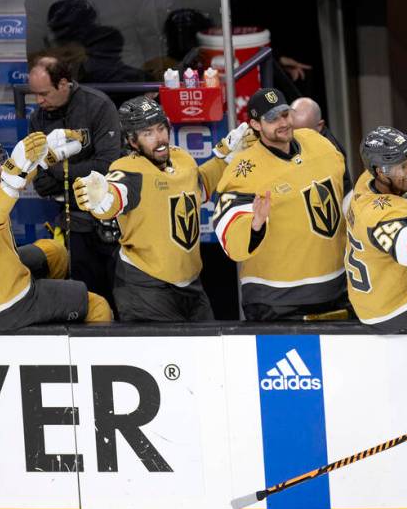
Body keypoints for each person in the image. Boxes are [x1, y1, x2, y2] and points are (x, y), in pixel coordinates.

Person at [72, 97, 249, 321]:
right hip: (146, 289)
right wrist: (101, 199)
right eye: (148, 133)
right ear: (132, 141)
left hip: (191, 285)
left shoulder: (182, 158)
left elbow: (199, 187)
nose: (159, 138)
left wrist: (226, 158)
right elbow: (115, 196)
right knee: (166, 356)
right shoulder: (128, 170)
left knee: (207, 353)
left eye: (161, 128)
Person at [0, 128, 112, 329]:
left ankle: (49, 314)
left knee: (54, 251)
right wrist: (14, 172)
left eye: (0, 160)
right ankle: (45, 318)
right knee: (97, 305)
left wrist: (43, 159)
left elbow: (6, 183)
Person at [211, 88, 348, 321]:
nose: (283, 123)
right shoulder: (244, 169)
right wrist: (254, 225)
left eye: (285, 114)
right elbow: (228, 230)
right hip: (277, 299)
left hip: (335, 288)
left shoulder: (319, 143)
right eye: (272, 119)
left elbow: (346, 190)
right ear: (255, 125)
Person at [28, 55, 122, 309]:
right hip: (74, 226)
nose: (39, 101)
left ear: (63, 83)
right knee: (87, 300)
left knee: (120, 299)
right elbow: (41, 183)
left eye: (44, 93)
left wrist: (59, 171)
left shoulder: (98, 105)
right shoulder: (37, 119)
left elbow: (109, 166)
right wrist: (77, 175)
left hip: (113, 221)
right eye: (34, 94)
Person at [345, 126, 407, 332]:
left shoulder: (375, 178)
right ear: (381, 171)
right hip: (393, 307)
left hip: (401, 286)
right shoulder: (378, 214)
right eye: (403, 166)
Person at [290, 97, 351, 192]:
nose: (297, 137)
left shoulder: (332, 152)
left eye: (304, 132)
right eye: (292, 131)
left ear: (319, 126)